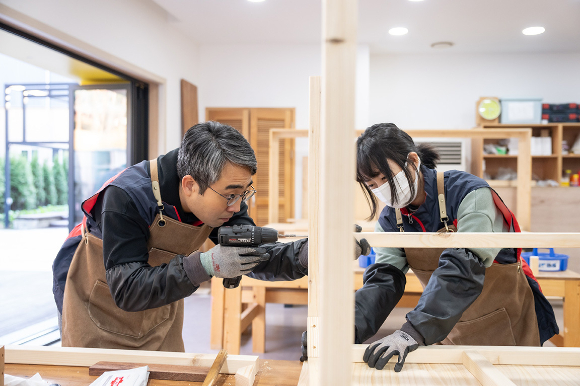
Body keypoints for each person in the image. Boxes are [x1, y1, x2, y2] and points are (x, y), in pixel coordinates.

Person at [52, 121, 309, 351]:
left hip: (154, 296)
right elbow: (128, 290)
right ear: (190, 185)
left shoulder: (225, 195)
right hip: (99, 295)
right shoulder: (126, 197)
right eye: (231, 195)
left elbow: (253, 255)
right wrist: (205, 264)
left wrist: (308, 254)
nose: (237, 205)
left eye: (243, 193)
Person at [354, 123, 558, 372]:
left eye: (385, 177)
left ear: (412, 161)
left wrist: (412, 330)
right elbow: (384, 281)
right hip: (446, 324)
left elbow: (464, 266)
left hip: (507, 320)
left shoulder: (468, 193)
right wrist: (347, 328)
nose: (382, 189)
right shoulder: (390, 220)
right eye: (373, 185)